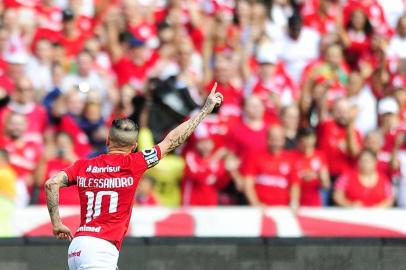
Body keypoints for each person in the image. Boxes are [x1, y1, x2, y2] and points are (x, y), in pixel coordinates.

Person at [44, 84, 223, 270]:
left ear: (107, 141)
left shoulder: (83, 166)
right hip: (101, 249)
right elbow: (171, 141)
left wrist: (57, 224)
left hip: (77, 247)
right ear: (134, 146)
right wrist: (205, 110)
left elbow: (51, 184)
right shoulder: (135, 163)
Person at [242, 125, 300, 207]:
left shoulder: (291, 159)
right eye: (272, 138)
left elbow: (294, 184)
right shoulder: (255, 157)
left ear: (283, 140)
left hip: (283, 209)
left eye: (278, 139)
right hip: (262, 210)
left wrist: (294, 202)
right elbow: (248, 184)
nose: (275, 142)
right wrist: (255, 203)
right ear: (267, 139)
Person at [293, 127, 330, 206]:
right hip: (296, 199)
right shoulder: (292, 156)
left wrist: (317, 176)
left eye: (310, 138)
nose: (308, 142)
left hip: (314, 199)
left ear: (315, 139)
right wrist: (302, 177)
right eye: (305, 138)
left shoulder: (320, 156)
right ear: (299, 140)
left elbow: (326, 184)